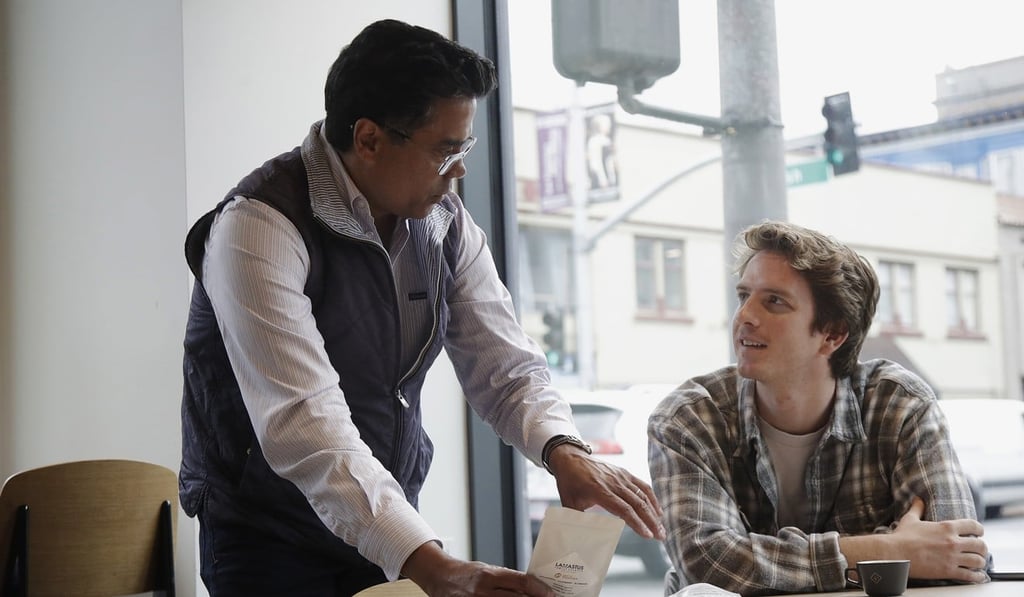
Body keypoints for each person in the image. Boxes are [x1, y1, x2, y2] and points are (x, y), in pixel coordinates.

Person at [179, 18, 665, 597]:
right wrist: (433, 565)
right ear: (369, 139)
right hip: (268, 536)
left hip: (385, 523)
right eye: (445, 150)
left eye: (466, 148)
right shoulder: (258, 226)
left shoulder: (442, 220)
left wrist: (564, 450)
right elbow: (306, 425)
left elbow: (504, 365)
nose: (459, 170)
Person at [647, 220, 988, 595]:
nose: (745, 315)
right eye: (744, 295)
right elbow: (708, 566)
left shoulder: (899, 404)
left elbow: (960, 556)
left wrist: (766, 558)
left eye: (774, 301)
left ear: (832, 334)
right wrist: (887, 548)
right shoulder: (690, 418)